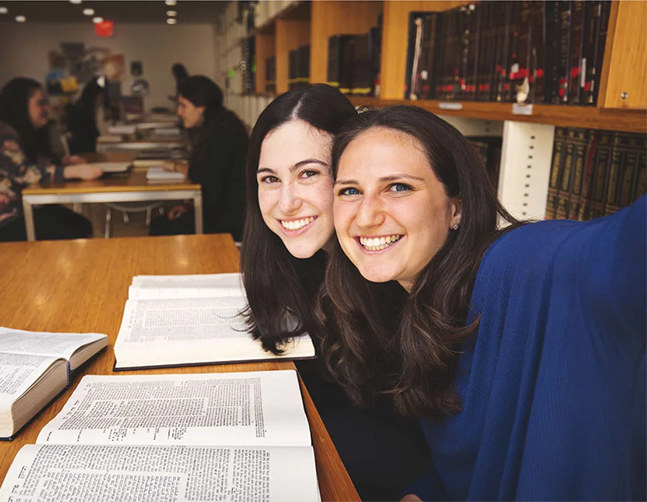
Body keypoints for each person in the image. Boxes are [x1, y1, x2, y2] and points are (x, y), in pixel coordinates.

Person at [324, 105, 647, 500]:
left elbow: (619, 251)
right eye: (350, 191)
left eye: (398, 187)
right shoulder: (410, 303)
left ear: (455, 208)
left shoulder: (515, 261)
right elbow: (464, 470)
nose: (367, 215)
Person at [241, 86, 432, 501]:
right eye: (270, 179)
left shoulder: (392, 268)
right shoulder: (302, 263)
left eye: (309, 173)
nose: (286, 202)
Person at [0, 77, 103, 243]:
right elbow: (25, 174)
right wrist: (73, 171)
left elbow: (28, 166)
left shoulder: (16, 132)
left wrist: (62, 163)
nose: (47, 108)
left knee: (81, 225)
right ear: (20, 105)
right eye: (41, 103)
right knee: (74, 231)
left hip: (18, 211)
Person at [150, 76, 248, 241]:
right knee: (163, 223)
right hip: (221, 211)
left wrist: (175, 167)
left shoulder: (224, 131)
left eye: (183, 106)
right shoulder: (218, 124)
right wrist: (189, 207)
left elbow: (201, 174)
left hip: (230, 221)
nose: (179, 112)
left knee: (160, 228)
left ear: (201, 107)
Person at [65, 76, 106, 154]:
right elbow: (93, 135)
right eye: (100, 97)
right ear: (94, 97)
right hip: (84, 154)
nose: (101, 101)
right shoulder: (83, 114)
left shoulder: (80, 110)